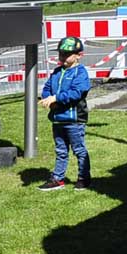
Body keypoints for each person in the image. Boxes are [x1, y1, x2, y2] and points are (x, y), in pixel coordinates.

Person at [37, 36, 92, 191]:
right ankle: (58, 179)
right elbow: (47, 87)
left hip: (74, 119)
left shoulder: (80, 73)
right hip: (58, 119)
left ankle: (84, 177)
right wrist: (47, 97)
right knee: (61, 150)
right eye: (61, 54)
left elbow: (76, 93)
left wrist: (57, 98)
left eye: (67, 54)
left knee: (79, 150)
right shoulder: (56, 72)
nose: (63, 57)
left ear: (78, 55)